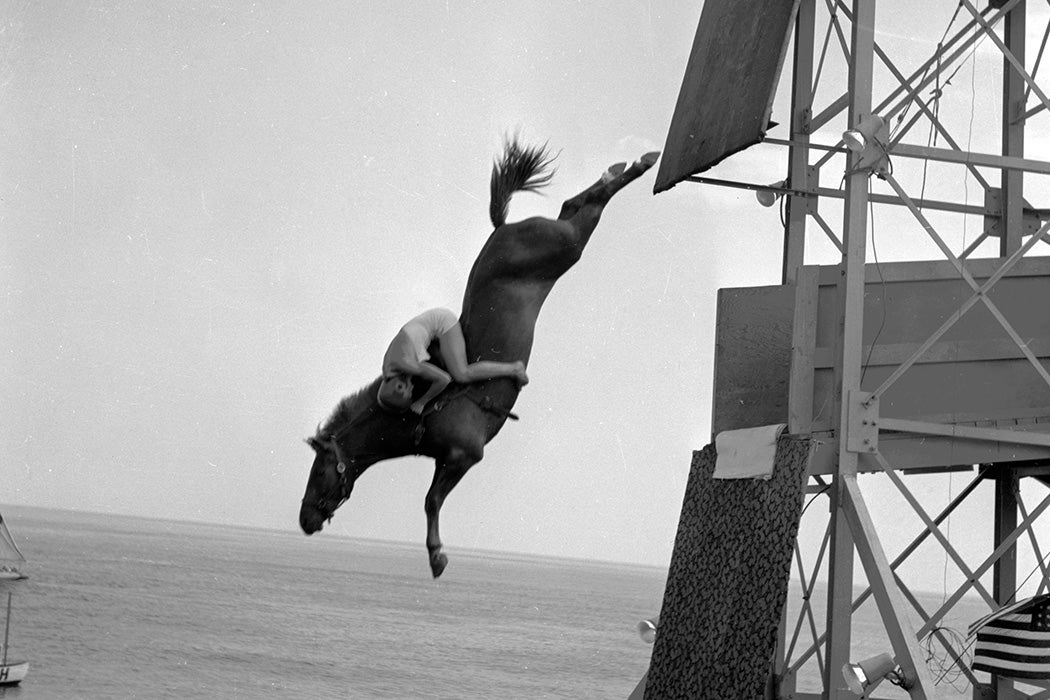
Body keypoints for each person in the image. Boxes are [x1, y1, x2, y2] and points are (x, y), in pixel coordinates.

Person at [377, 307, 528, 414]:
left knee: (462, 374)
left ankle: (514, 369)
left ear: (398, 386)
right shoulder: (389, 370)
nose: (411, 389)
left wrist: (422, 402)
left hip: (442, 322)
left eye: (408, 391)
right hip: (423, 326)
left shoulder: (407, 365)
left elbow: (444, 379)